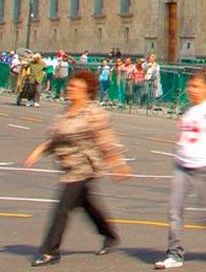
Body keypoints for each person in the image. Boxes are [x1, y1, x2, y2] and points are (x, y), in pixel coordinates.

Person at [22, 69, 129, 266]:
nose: (71, 89)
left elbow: (106, 139)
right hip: (69, 166)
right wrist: (39, 151)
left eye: (77, 87)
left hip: (85, 167)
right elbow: (56, 138)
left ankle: (50, 251)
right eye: (71, 85)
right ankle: (109, 234)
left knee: (63, 205)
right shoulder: (67, 111)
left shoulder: (93, 113)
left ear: (87, 91)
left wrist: (117, 163)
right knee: (85, 203)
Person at [154, 73, 206, 268]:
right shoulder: (189, 109)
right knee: (174, 210)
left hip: (202, 166)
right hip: (182, 165)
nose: (191, 90)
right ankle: (175, 254)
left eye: (196, 86)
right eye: (190, 86)